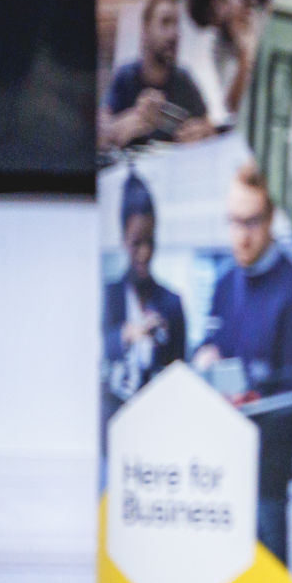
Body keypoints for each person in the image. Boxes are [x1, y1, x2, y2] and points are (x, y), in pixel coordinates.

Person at [194, 161, 292, 560]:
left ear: (270, 220)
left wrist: (250, 388)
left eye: (251, 223)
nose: (241, 237)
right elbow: (211, 340)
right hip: (220, 470)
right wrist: (205, 355)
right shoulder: (224, 282)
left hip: (267, 474)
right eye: (234, 222)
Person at [102, 174, 187, 409]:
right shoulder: (107, 298)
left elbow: (181, 379)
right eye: (137, 243)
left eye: (150, 242)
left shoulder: (172, 304)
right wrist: (126, 335)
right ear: (123, 240)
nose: (145, 253)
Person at [99, 0, 212, 149]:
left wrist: (204, 133)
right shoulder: (125, 77)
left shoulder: (184, 80)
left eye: (176, 24)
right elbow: (101, 132)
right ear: (145, 30)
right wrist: (134, 121)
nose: (174, 33)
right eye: (165, 22)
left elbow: (208, 126)